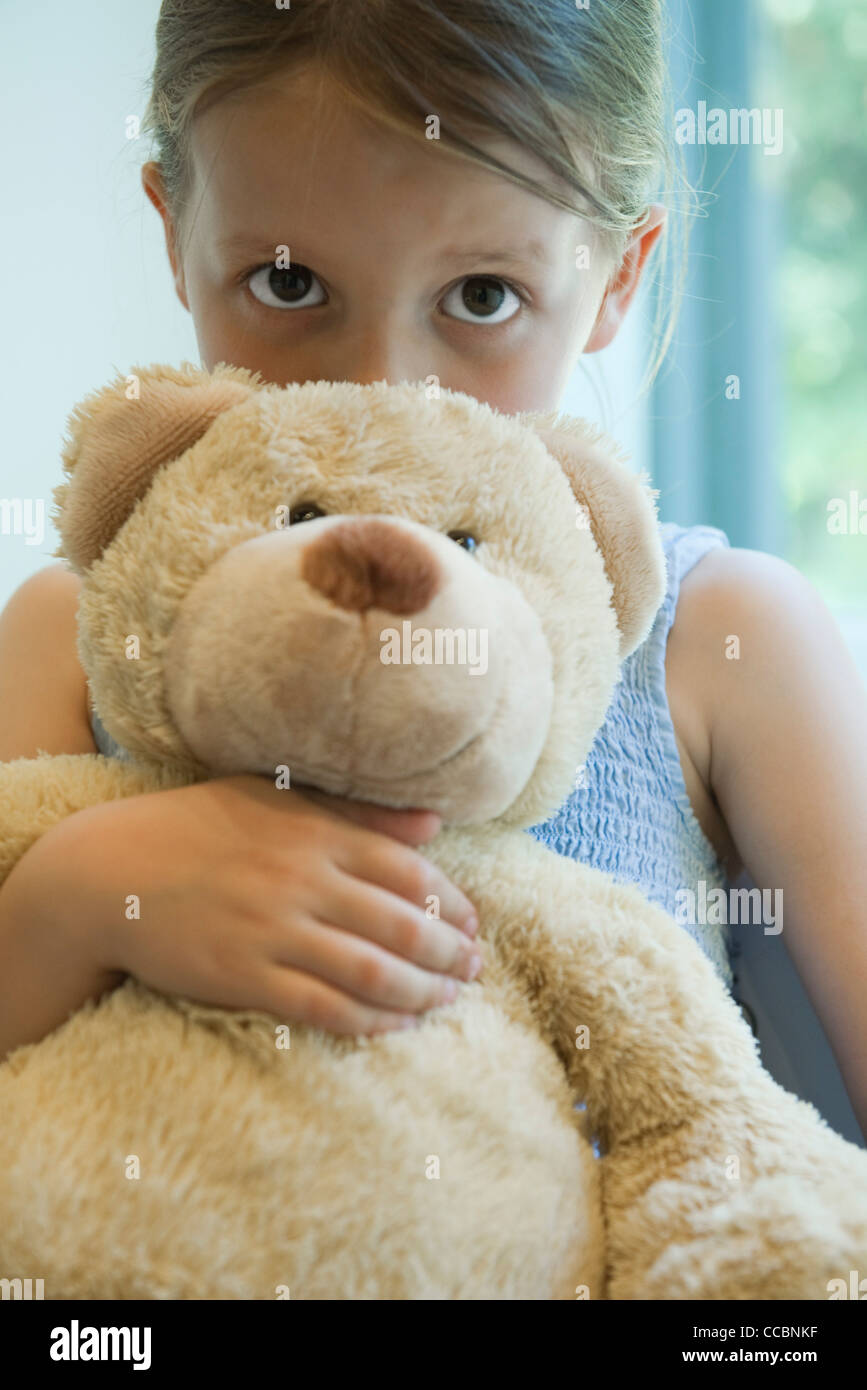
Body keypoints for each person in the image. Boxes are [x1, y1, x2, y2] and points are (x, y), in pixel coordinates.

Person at [1, 1, 865, 1140]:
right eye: (289, 283)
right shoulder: (75, 634)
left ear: (616, 274)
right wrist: (78, 900)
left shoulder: (721, 646)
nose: (385, 388)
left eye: (482, 297)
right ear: (174, 236)